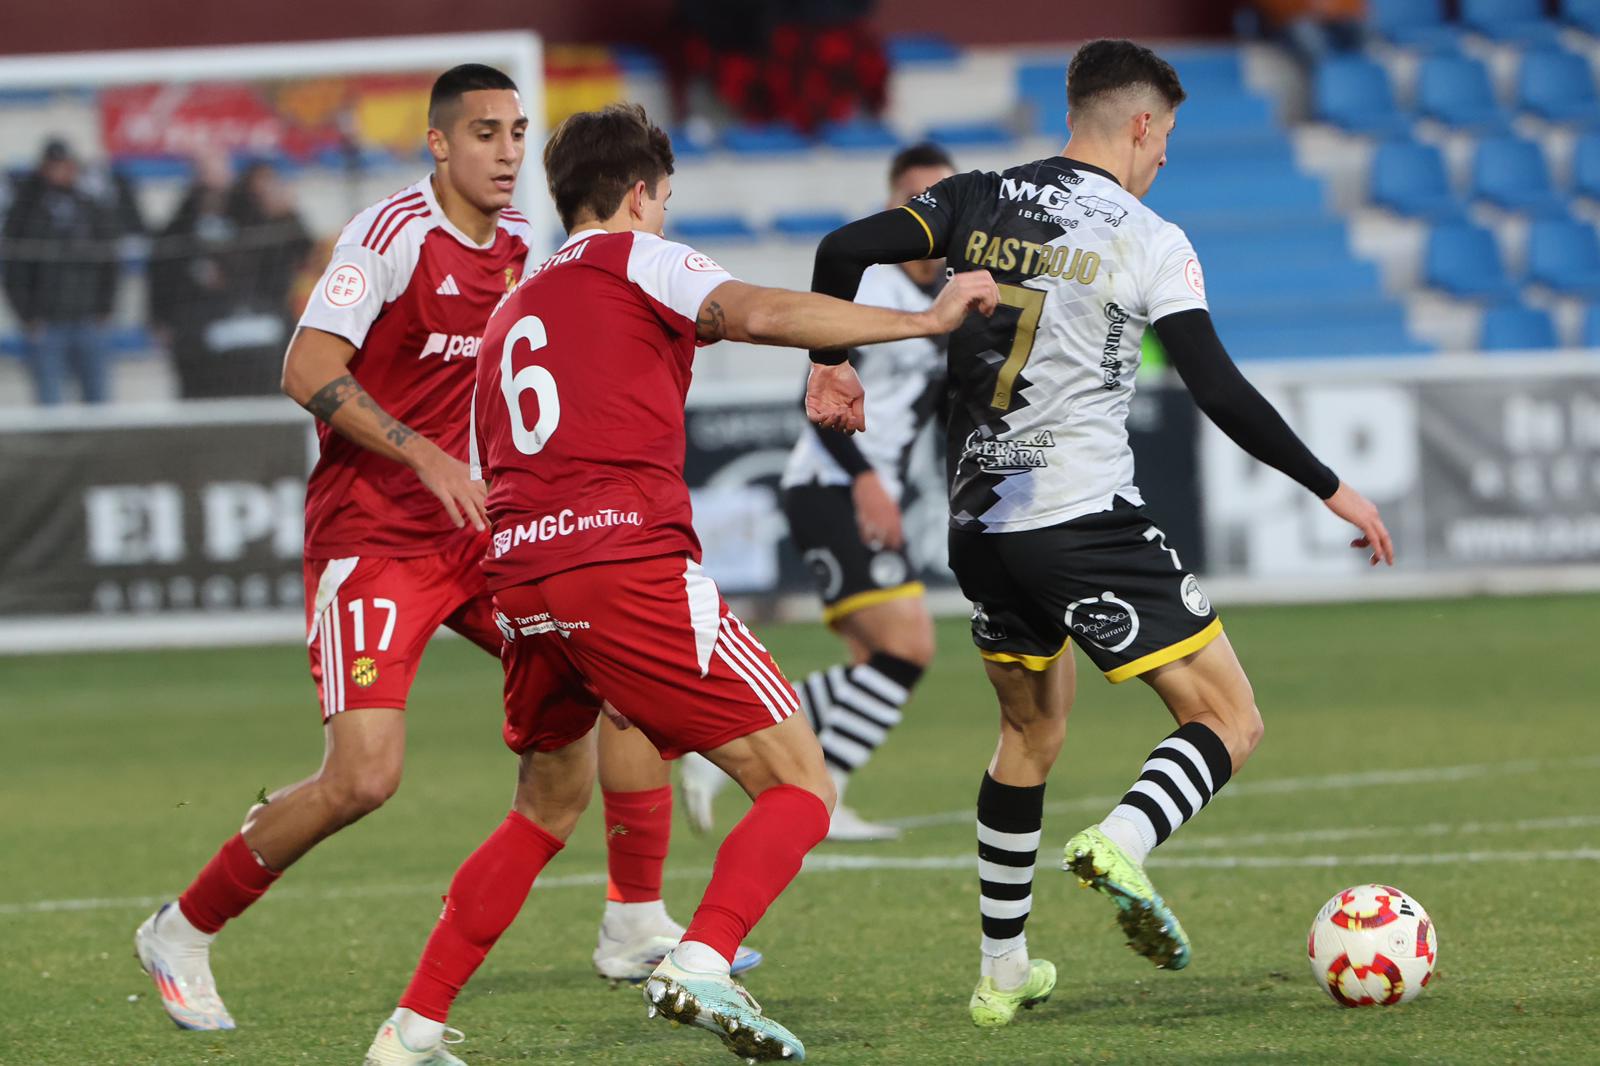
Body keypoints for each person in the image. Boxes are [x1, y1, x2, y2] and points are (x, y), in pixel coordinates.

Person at [361, 101, 997, 1065]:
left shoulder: (509, 308)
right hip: (623, 567)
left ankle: (408, 1029)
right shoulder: (640, 258)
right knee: (799, 783)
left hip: (523, 582)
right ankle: (702, 958)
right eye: (661, 199)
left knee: (540, 811)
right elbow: (762, 312)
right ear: (636, 195)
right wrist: (923, 317)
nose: (664, 215)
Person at [132, 65, 749, 1036]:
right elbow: (305, 367)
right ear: (438, 144)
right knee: (364, 778)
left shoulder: (521, 246)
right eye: (484, 134)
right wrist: (423, 454)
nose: (506, 152)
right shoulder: (387, 239)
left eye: (515, 133)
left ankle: (633, 921)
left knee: (621, 676)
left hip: (482, 535)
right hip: (372, 538)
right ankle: (181, 927)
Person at [808, 38, 1394, 1028]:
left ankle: (1001, 974)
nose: (1163, 156)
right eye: (1163, 136)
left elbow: (841, 251)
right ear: (1137, 124)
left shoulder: (971, 195)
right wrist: (1329, 483)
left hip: (978, 527)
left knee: (1028, 734)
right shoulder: (1148, 235)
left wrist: (829, 363)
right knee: (1229, 719)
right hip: (1079, 516)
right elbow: (1212, 385)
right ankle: (1123, 837)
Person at [678, 143, 955, 843]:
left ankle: (822, 794)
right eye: (917, 199)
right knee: (907, 649)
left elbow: (942, 406)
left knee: (878, 665)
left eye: (942, 198)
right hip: (830, 485)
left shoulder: (953, 292)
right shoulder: (873, 288)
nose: (932, 213)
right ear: (897, 208)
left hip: (872, 487)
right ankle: (728, 746)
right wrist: (865, 482)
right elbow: (820, 392)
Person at [1, 138, 120, 405]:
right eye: (55, 166)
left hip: (88, 317)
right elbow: (15, 268)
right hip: (46, 322)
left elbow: (108, 261)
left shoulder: (89, 207)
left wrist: (105, 307)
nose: (62, 172)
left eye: (66, 165)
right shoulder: (25, 211)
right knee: (50, 402)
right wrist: (28, 316)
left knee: (99, 400)